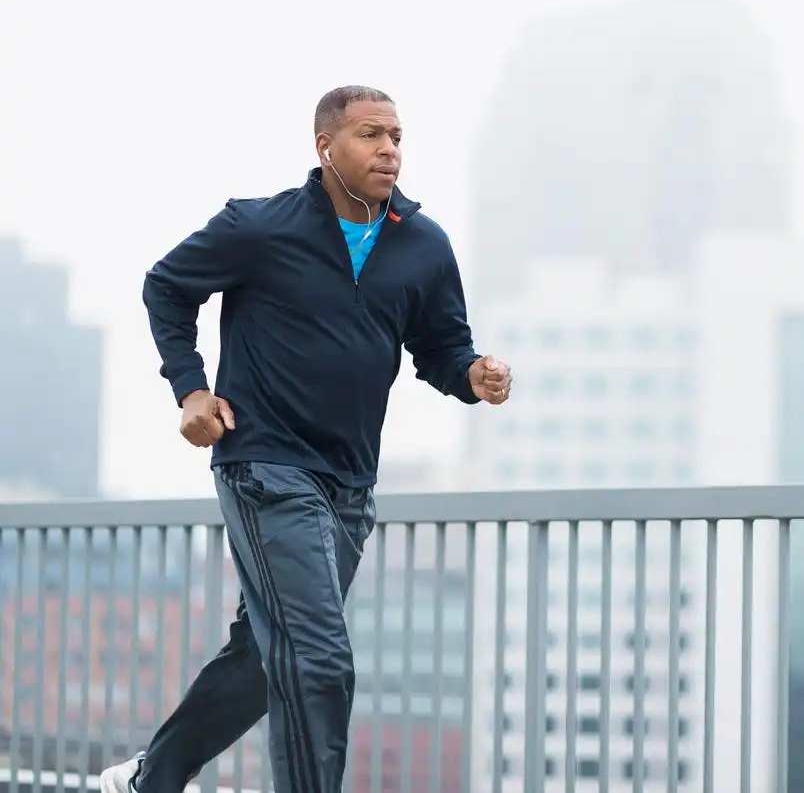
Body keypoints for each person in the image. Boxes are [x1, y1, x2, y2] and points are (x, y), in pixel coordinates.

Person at [99, 85, 512, 793]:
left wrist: (473, 374)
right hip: (266, 466)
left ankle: (153, 778)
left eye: (397, 136)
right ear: (326, 148)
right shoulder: (260, 228)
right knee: (317, 657)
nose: (389, 149)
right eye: (369, 135)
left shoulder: (423, 244)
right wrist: (191, 389)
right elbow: (166, 286)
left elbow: (441, 346)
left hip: (349, 484)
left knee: (266, 655)